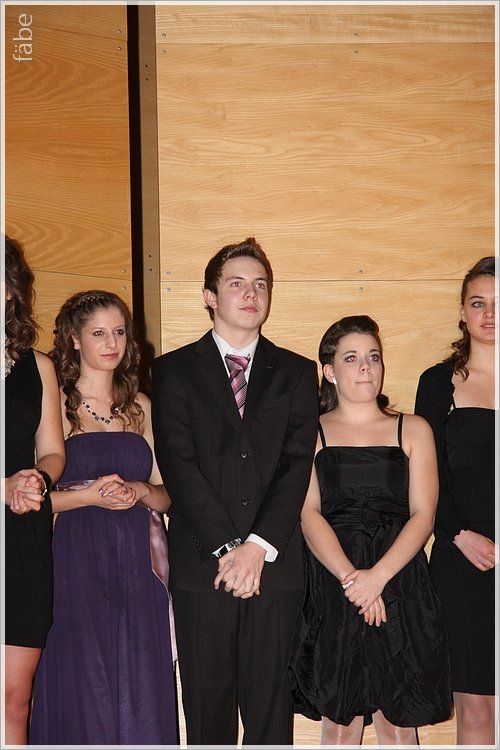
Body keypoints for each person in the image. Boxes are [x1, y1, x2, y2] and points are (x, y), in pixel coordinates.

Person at [152, 237, 318, 745]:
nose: (251, 294)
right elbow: (178, 466)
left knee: (271, 717)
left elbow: (296, 465)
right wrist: (229, 549)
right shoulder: (172, 370)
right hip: (203, 566)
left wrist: (256, 548)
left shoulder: (297, 371)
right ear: (209, 296)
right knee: (207, 716)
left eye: (260, 285)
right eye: (237, 284)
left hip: (274, 566)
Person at [289, 315, 452, 745]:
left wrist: (376, 579)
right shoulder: (310, 433)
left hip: (400, 582)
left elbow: (424, 515)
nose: (366, 366)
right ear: (329, 371)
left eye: (373, 357)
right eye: (352, 358)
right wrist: (353, 582)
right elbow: (308, 514)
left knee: (398, 723)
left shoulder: (413, 428)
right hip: (333, 583)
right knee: (340, 724)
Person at [29, 290, 178, 745]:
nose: (112, 343)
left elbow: (168, 496)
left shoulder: (142, 406)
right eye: (98, 333)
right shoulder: (55, 402)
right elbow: (33, 500)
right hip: (75, 558)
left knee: (141, 678)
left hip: (139, 562)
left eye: (118, 332)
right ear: (74, 339)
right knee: (84, 678)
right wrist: (88, 496)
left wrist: (140, 491)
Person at [414, 257, 496, 745]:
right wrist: (460, 535)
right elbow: (427, 476)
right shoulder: (437, 381)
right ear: (462, 312)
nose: (489, 314)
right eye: (478, 303)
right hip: (463, 557)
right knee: (477, 710)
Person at [2, 237, 65, 745]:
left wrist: (37, 479)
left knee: (13, 700)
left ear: (10, 289)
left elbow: (53, 451)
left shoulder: (38, 366)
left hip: (20, 539)